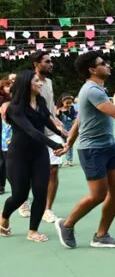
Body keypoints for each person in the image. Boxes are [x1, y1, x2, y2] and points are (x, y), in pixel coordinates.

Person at [55, 52, 115, 249]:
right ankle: (67, 224)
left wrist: (68, 144)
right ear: (92, 69)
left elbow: (80, 121)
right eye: (103, 63)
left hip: (109, 146)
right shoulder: (91, 90)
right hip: (92, 150)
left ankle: (101, 235)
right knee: (98, 194)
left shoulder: (98, 89)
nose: (108, 66)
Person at [0, 70, 66, 242]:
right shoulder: (15, 108)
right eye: (37, 81)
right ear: (26, 84)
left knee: (40, 192)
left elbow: (47, 123)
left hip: (39, 155)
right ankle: (4, 216)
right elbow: (30, 131)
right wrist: (55, 145)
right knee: (19, 195)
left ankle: (32, 231)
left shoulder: (41, 101)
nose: (41, 83)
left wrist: (65, 136)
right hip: (18, 156)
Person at [31, 52, 68, 224]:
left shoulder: (50, 82)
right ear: (36, 64)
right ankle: (26, 202)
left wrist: (58, 122)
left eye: (51, 61)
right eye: (47, 61)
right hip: (34, 132)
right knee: (34, 172)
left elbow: (51, 106)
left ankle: (47, 209)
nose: (51, 64)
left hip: (52, 130)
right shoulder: (29, 82)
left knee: (54, 169)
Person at [56, 94, 77, 167]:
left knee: (69, 145)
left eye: (70, 103)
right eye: (67, 103)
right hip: (61, 130)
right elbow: (57, 120)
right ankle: (59, 161)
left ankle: (69, 161)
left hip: (70, 129)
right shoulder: (58, 110)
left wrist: (74, 129)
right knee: (60, 145)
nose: (69, 104)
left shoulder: (72, 109)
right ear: (62, 102)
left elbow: (74, 119)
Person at [0, 79, 13, 195]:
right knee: (3, 162)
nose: (10, 87)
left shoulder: (15, 99)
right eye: (7, 85)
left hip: (8, 134)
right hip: (5, 134)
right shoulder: (2, 101)